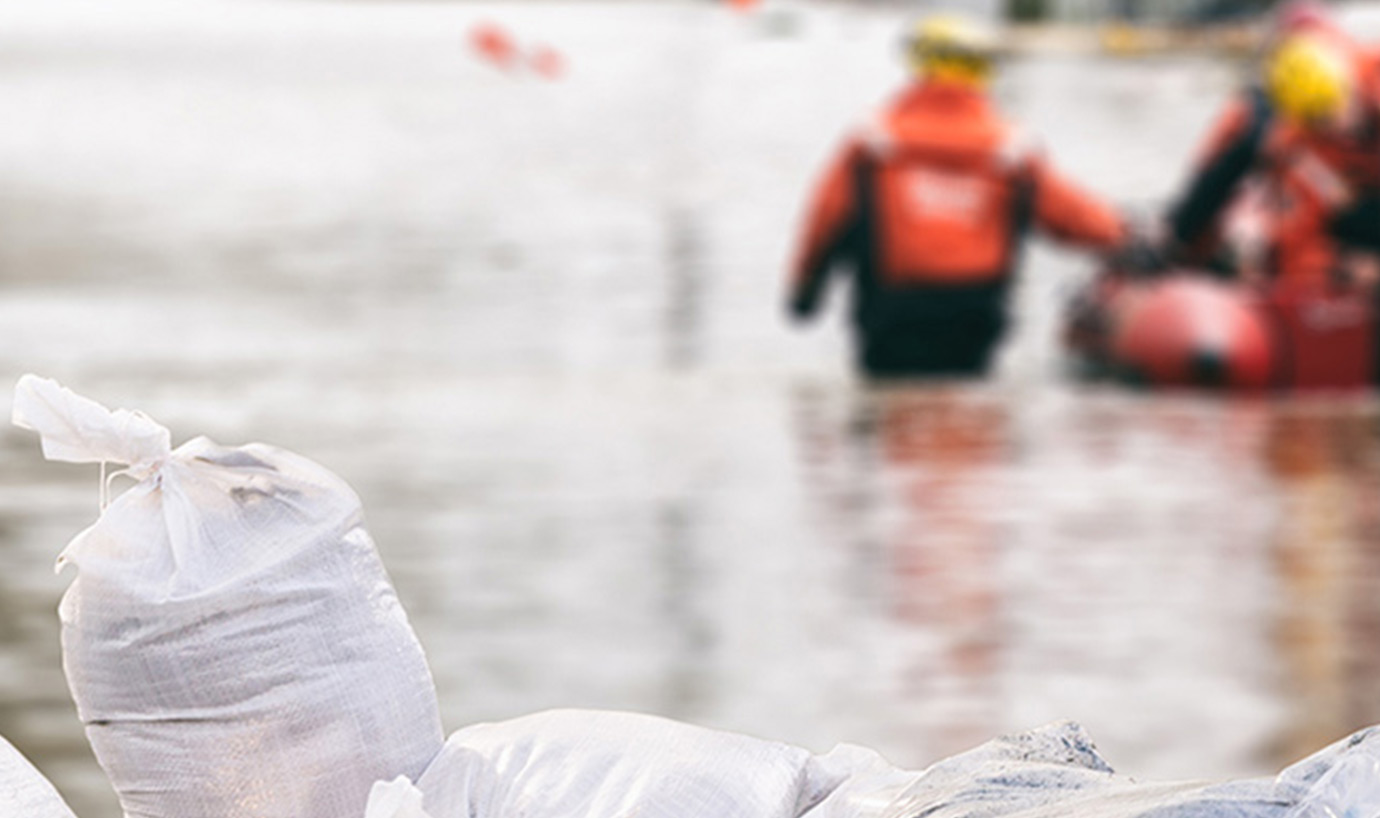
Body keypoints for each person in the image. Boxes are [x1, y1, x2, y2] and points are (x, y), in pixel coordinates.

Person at [786, 14, 1128, 379]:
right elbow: (1073, 217)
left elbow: (826, 219)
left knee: (886, 413)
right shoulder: (1010, 149)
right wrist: (1127, 236)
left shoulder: (873, 141)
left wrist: (805, 292)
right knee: (967, 410)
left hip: (890, 313)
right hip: (975, 314)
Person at [1165, 2, 1380, 290]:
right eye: (1320, 119)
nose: (1338, 126)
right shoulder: (1297, 147)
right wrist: (1340, 266)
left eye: (1337, 107)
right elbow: (1300, 247)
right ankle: (1178, 243)